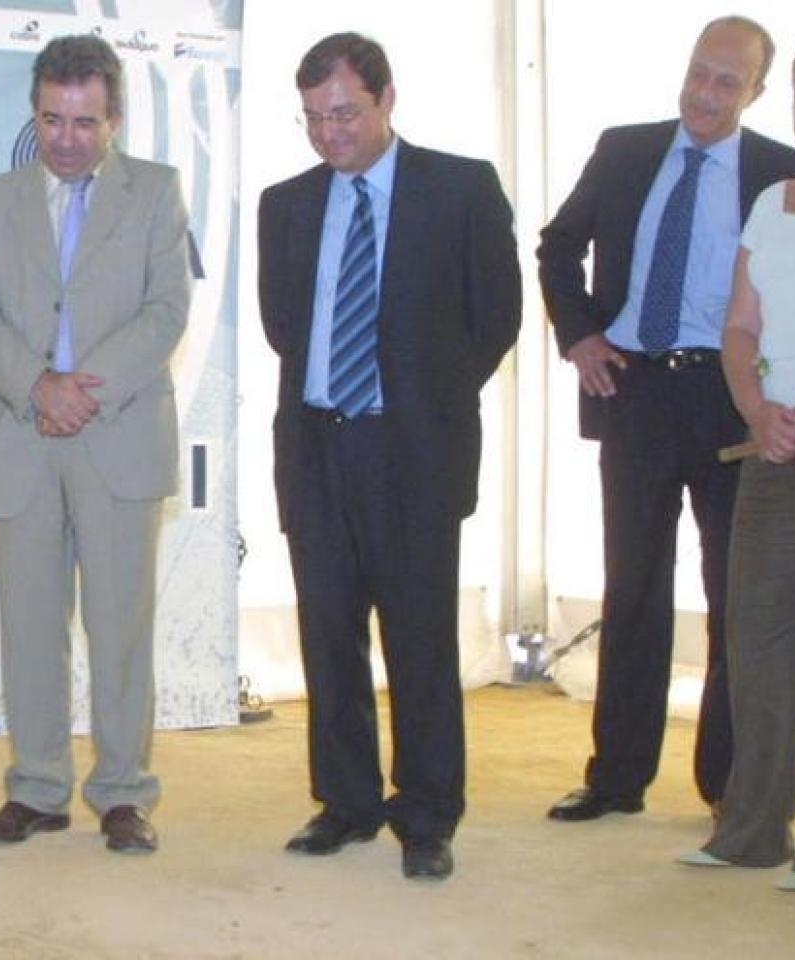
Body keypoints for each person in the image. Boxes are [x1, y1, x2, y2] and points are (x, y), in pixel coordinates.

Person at [257, 32, 521, 881]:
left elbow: (497, 317)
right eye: (313, 119)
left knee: (420, 643)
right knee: (329, 635)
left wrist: (420, 399)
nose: (330, 134)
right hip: (317, 448)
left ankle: (428, 814)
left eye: (345, 113)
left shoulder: (461, 188)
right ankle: (346, 803)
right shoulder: (285, 203)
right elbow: (281, 327)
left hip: (412, 452)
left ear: (386, 99)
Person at [537, 17, 795, 823]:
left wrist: (775, 396)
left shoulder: (782, 175)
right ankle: (617, 778)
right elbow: (557, 246)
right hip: (636, 392)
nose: (706, 92)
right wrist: (581, 334)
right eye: (700, 72)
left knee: (737, 598)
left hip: (731, 402)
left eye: (729, 81)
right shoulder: (625, 150)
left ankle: (727, 785)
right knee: (633, 592)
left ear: (756, 93)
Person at [0, 34, 191, 855]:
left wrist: (80, 391)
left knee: (120, 624)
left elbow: (166, 312)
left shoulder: (157, 193)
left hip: (117, 434)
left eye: (85, 122)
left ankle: (124, 793)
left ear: (115, 117)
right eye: (52, 119)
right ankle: (39, 788)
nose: (66, 138)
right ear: (35, 112)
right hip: (23, 434)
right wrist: (36, 387)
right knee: (28, 626)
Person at [681, 25, 795, 892]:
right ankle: (751, 827)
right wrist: (761, 408)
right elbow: (739, 325)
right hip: (773, 439)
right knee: (759, 634)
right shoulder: (774, 199)